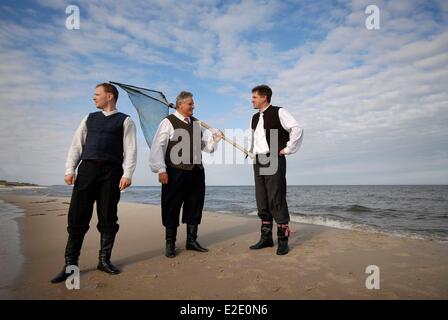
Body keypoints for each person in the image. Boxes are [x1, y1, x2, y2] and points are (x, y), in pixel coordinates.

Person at [51, 83, 137, 283]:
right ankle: (71, 265)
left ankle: (104, 260)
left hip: (111, 173)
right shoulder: (89, 118)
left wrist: (128, 174)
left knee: (108, 217)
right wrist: (70, 169)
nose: (93, 98)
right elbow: (76, 145)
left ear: (110, 96)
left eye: (96, 94)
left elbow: (131, 150)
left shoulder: (125, 121)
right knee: (77, 217)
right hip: (87, 171)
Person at [149, 91, 223, 258]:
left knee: (195, 206)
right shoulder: (168, 122)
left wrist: (215, 140)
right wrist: (161, 169)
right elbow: (158, 147)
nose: (193, 106)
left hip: (196, 172)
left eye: (193, 103)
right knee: (171, 207)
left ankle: (191, 241)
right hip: (175, 172)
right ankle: (170, 244)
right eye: (190, 104)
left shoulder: (197, 124)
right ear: (180, 104)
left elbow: (206, 147)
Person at [249, 85, 303, 255]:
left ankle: (282, 240)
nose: (252, 100)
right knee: (262, 199)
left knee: (276, 197)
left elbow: (297, 129)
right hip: (258, 160)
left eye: (255, 97)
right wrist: (253, 152)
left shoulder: (279, 112)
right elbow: (257, 138)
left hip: (274, 159)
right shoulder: (254, 118)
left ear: (264, 97)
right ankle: (266, 239)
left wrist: (287, 149)